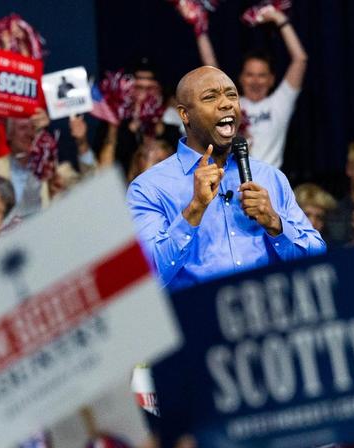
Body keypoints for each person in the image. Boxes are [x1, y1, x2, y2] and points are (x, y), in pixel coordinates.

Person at [126, 66, 325, 291]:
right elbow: (146, 278)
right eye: (210, 97)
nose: (226, 103)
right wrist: (194, 209)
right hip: (196, 320)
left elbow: (317, 256)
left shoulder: (270, 177)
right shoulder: (149, 187)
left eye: (232, 95)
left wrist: (275, 224)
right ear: (185, 114)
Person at [196, 5, 308, 168]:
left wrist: (279, 18)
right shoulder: (229, 104)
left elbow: (300, 60)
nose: (255, 81)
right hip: (231, 182)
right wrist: (199, 28)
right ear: (240, 79)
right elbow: (210, 69)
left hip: (268, 182)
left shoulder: (279, 104)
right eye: (249, 75)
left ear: (271, 80)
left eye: (262, 75)